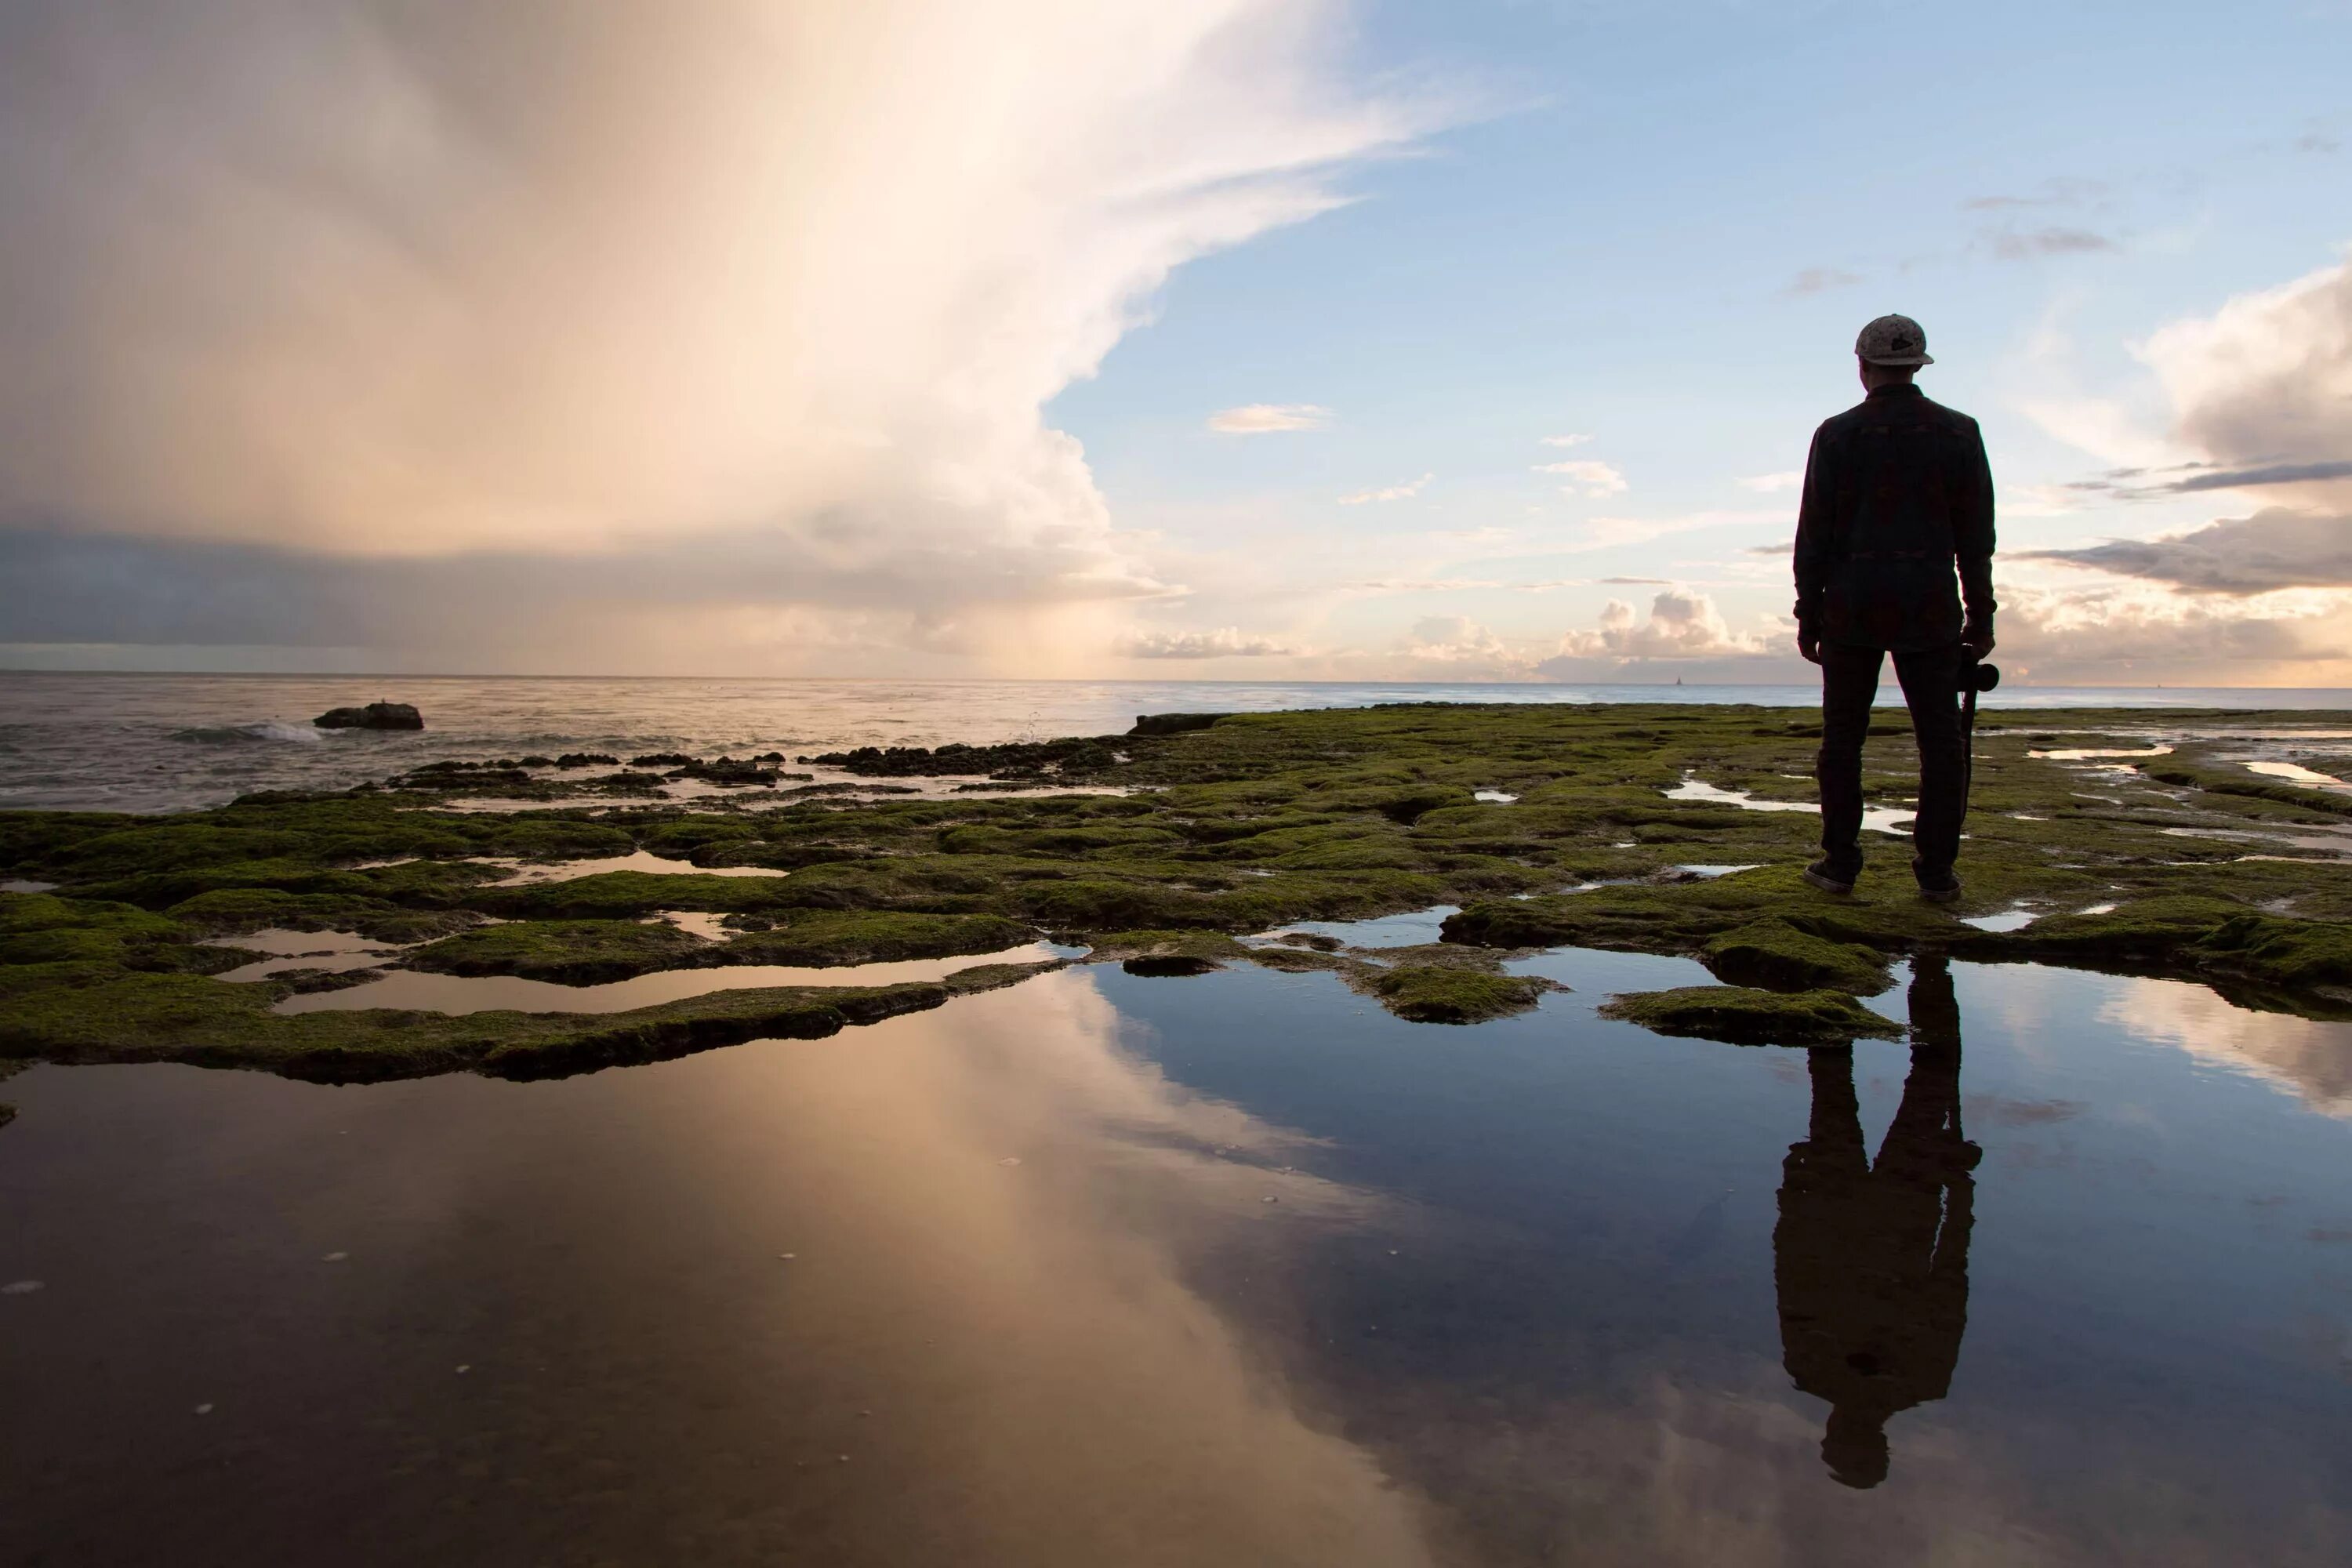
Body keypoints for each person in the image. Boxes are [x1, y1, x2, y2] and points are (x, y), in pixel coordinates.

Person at [1792, 314, 1996, 900]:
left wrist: (1809, 612)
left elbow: (1815, 534)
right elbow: (1975, 535)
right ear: (1917, 366)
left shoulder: (1837, 434)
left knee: (1843, 741)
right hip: (1929, 606)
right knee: (1941, 744)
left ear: (1863, 368)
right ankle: (1936, 871)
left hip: (1852, 606)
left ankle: (1840, 863)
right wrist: (1980, 615)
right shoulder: (1959, 432)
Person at [1774, 955, 1978, 1489]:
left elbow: (1792, 1272)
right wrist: (1961, 1194)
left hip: (1853, 1209)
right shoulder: (1919, 1377)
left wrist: (1789, 1199)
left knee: (1844, 1077)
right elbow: (1952, 1277)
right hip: (1898, 1215)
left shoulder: (1814, 1368)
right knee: (1915, 1078)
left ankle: (1860, 969)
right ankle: (1923, 968)